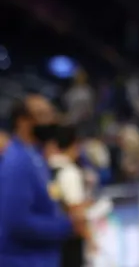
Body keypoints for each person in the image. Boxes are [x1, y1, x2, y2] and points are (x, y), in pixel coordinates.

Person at [0, 96, 86, 267]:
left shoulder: (35, 157)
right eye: (43, 115)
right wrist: (67, 226)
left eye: (51, 113)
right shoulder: (18, 162)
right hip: (23, 260)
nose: (51, 120)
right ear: (23, 121)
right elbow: (18, 222)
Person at [47, 124, 90, 267]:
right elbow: (75, 210)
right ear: (75, 145)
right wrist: (90, 239)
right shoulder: (70, 172)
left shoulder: (45, 168)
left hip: (51, 238)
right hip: (70, 239)